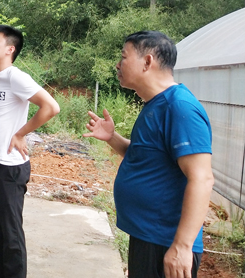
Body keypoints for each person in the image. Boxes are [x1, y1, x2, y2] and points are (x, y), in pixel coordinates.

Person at [83, 31, 214, 278]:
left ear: (147, 61)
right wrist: (112, 137)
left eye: (124, 57)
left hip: (166, 242)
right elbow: (145, 157)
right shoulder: (156, 104)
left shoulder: (179, 107)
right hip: (148, 236)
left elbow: (202, 178)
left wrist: (182, 246)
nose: (117, 65)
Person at [0, 25, 59, 278]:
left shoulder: (15, 77)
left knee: (11, 233)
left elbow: (51, 107)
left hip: (9, 167)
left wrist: (20, 133)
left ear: (9, 49)